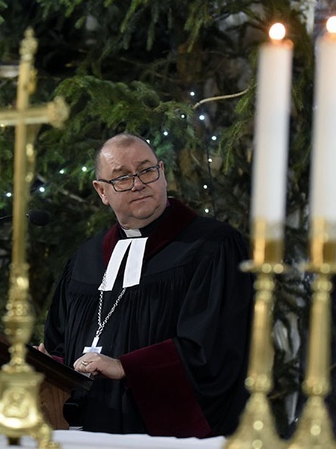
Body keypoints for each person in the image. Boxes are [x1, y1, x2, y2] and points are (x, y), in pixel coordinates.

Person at [39, 133, 254, 438]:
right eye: (122, 177)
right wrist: (49, 362)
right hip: (83, 429)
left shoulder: (211, 246)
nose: (139, 183)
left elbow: (216, 349)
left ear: (162, 173)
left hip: (163, 434)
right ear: (102, 191)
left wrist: (128, 367)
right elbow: (58, 343)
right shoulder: (84, 260)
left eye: (147, 170)